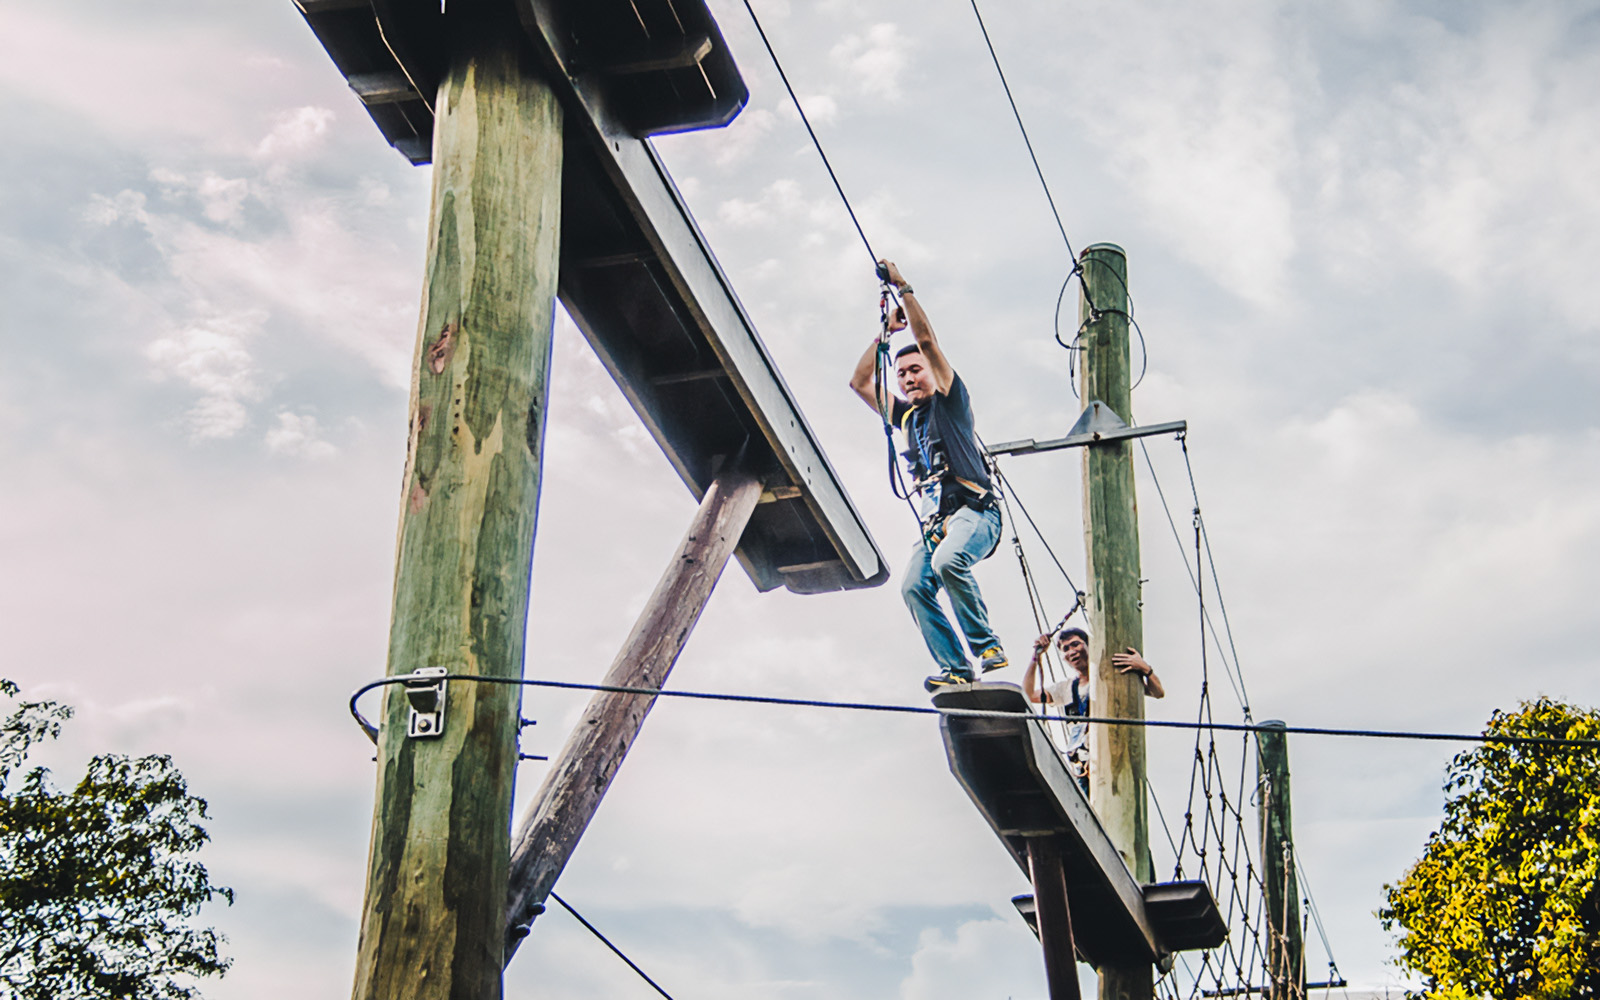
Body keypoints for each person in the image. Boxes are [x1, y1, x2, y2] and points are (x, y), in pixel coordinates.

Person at [849, 260, 1008, 692]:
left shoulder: (950, 403)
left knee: (947, 563)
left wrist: (904, 289)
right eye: (901, 374)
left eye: (914, 370)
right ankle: (956, 667)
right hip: (935, 525)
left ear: (931, 374)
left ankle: (986, 644)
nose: (907, 379)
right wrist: (885, 335)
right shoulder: (904, 418)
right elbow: (860, 382)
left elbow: (927, 341)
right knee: (913, 587)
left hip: (975, 512)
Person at [1022, 626, 1164, 795]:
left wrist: (1145, 669)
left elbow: (1158, 692)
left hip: (1112, 757)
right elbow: (1029, 694)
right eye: (1066, 649)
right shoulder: (1065, 689)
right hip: (1083, 765)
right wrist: (1036, 657)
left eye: (1076, 644)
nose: (1072, 651)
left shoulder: (1112, 676)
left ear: (1089, 645)